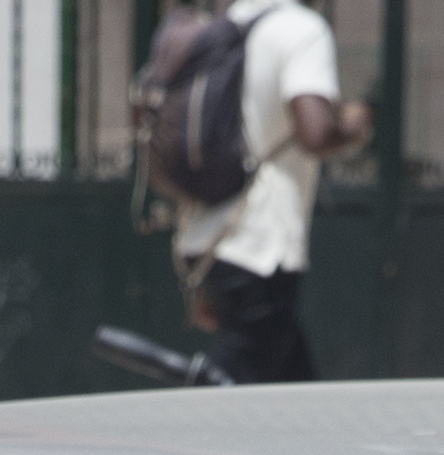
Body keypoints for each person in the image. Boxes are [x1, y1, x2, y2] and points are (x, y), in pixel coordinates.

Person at [156, 0, 370, 385]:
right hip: (260, 246)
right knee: (243, 405)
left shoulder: (228, 25)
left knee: (292, 394)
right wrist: (354, 126)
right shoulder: (302, 30)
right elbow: (316, 132)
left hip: (207, 240)